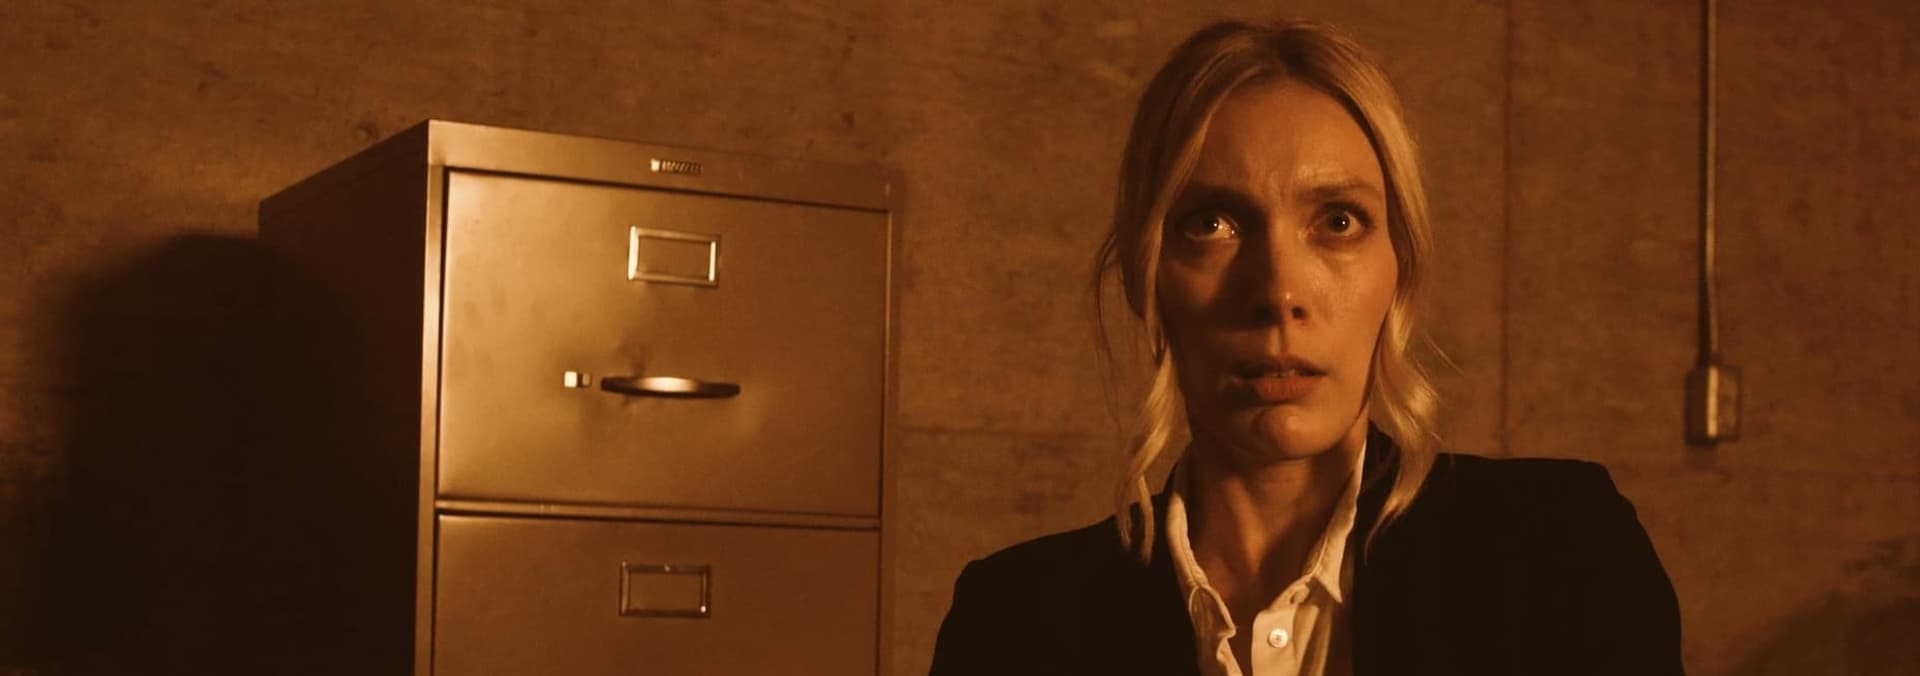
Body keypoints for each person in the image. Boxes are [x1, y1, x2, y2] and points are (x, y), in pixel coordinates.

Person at [928, 18, 1682, 676]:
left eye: (1338, 222)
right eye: (1213, 224)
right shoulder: (1015, 621)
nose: (1279, 290)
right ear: (1145, 275)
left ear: (1401, 265)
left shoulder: (1558, 557)